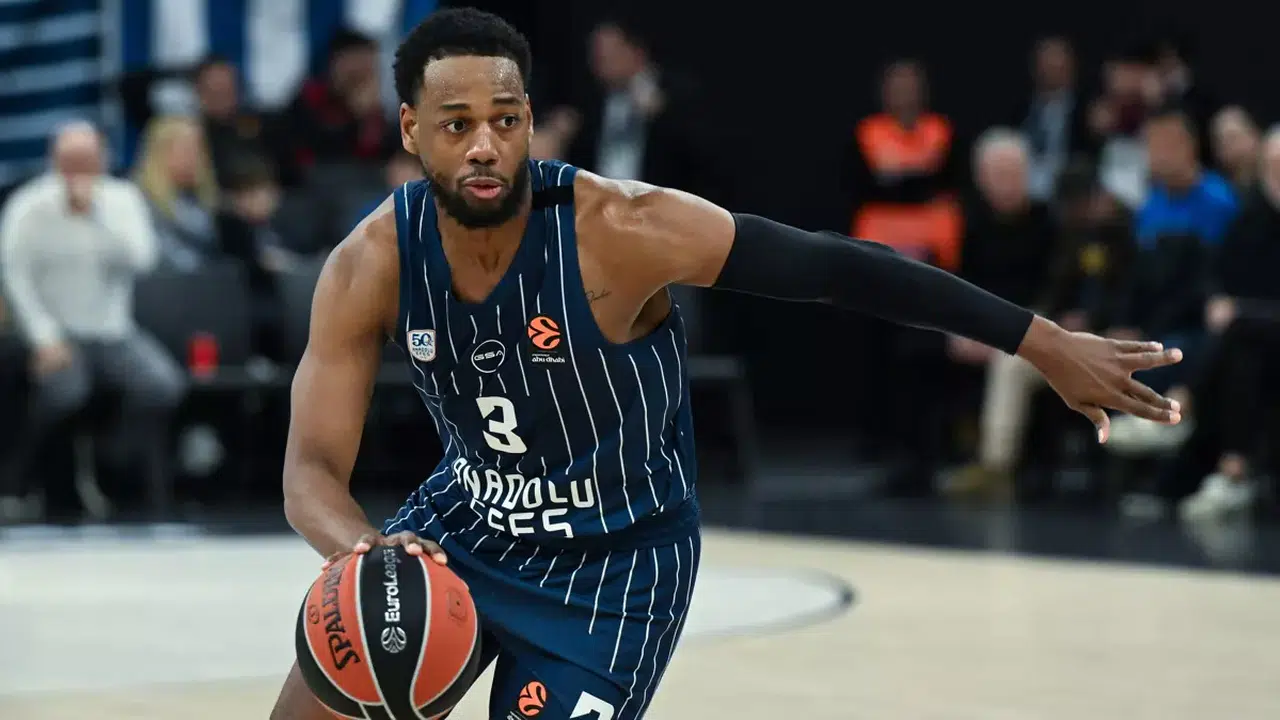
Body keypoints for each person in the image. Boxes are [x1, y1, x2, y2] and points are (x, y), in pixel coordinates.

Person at [271, 10, 1183, 720]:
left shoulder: (618, 229)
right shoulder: (371, 262)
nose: (484, 145)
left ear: (530, 124)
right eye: (457, 123)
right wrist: (363, 549)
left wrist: (1040, 341)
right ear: (410, 129)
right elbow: (310, 470)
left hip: (614, 567)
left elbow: (833, 268)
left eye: (505, 121)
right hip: (466, 529)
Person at [0, 121, 186, 522]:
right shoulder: (28, 206)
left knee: (161, 384)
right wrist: (43, 338)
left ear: (102, 159)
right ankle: (23, 482)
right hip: (54, 335)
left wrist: (96, 214)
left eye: (86, 159)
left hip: (113, 332)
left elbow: (141, 259)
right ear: (54, 159)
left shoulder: (122, 200)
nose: (78, 169)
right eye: (70, 160)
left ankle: (112, 468)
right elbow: (15, 277)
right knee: (65, 392)